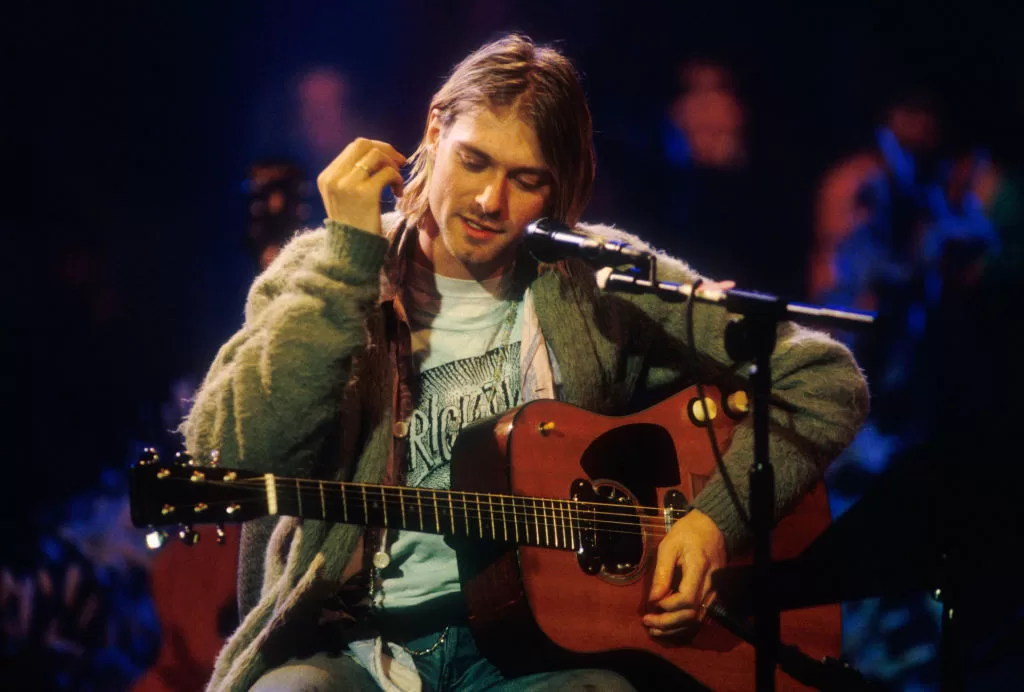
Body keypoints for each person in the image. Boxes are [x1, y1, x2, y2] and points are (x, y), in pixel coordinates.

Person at [182, 34, 868, 691]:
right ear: (432, 134)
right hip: (353, 649)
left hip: (544, 656)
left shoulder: (595, 280)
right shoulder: (328, 267)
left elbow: (822, 379)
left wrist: (712, 520)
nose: (489, 202)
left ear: (559, 190)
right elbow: (230, 454)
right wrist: (345, 268)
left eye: (525, 179)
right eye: (474, 160)